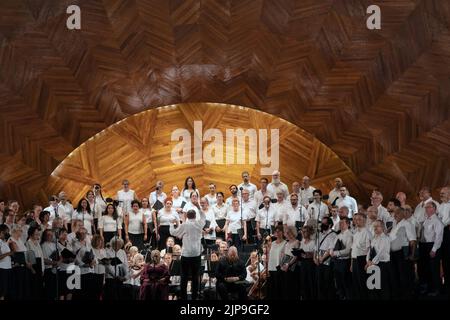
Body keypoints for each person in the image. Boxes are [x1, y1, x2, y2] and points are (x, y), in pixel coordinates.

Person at [169, 208, 205, 300]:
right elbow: (203, 217)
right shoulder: (199, 224)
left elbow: (173, 232)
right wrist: (199, 208)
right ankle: (194, 297)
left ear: (187, 216)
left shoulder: (184, 225)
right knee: (195, 277)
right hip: (196, 254)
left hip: (186, 255)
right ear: (195, 216)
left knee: (184, 277)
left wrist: (171, 224)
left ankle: (183, 297)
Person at [389, 207, 416, 299]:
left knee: (404, 275)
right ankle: (398, 294)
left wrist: (412, 255)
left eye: (398, 213)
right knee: (395, 275)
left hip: (403, 253)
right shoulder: (394, 224)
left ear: (403, 214)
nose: (395, 215)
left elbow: (412, 241)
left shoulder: (407, 224)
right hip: (393, 254)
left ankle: (407, 295)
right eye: (394, 213)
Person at [418, 202, 444, 296]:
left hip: (432, 246)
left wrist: (434, 249)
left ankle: (437, 290)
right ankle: (429, 288)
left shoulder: (437, 221)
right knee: (427, 269)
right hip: (424, 246)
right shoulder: (426, 220)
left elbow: (439, 237)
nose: (426, 209)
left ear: (434, 209)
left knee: (434, 269)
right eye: (426, 207)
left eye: (428, 207)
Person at [365, 220, 391, 300]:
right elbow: (370, 251)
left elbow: (381, 252)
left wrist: (371, 262)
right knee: (374, 287)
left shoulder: (385, 238)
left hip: (382, 265)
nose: (375, 228)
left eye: (377, 226)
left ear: (382, 227)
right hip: (373, 264)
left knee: (383, 287)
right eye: (374, 226)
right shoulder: (374, 239)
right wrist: (368, 261)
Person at [330, 217, 353, 300]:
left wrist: (336, 253)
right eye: (340, 223)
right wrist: (331, 252)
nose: (341, 225)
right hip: (337, 261)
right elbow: (332, 246)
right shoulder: (338, 235)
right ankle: (341, 297)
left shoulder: (350, 235)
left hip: (345, 262)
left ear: (348, 224)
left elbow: (348, 250)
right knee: (338, 283)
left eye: (343, 223)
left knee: (345, 283)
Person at [350, 213, 371, 300]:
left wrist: (368, 262)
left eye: (359, 219)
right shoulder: (355, 233)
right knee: (356, 284)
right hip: (355, 260)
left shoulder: (367, 233)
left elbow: (369, 249)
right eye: (355, 219)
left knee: (363, 283)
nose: (356, 221)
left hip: (362, 260)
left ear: (365, 220)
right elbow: (353, 249)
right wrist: (351, 264)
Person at [315, 216, 337, 300]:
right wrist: (315, 258)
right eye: (322, 223)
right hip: (318, 260)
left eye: (325, 223)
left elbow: (330, 248)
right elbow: (316, 247)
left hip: (327, 261)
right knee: (319, 282)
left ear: (330, 224)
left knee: (327, 282)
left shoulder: (333, 234)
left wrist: (322, 258)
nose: (323, 224)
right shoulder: (320, 234)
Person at [280, 226, 301, 299]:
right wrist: (282, 264)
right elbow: (282, 253)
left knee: (292, 285)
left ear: (290, 233)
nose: (284, 234)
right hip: (285, 265)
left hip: (292, 266)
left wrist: (288, 264)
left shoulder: (296, 242)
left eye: (285, 233)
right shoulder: (286, 243)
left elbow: (296, 256)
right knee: (286, 286)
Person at [266, 225, 285, 300]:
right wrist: (267, 268)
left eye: (279, 231)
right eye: (276, 231)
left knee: (278, 289)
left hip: (279, 268)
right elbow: (269, 255)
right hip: (271, 267)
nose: (277, 233)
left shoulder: (285, 243)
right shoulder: (272, 243)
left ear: (283, 232)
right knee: (271, 289)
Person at [26, 226, 44, 299]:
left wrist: (42, 269)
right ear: (31, 234)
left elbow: (41, 257)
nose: (38, 236)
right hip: (33, 266)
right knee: (34, 288)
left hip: (39, 266)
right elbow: (29, 257)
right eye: (36, 234)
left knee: (40, 288)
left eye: (38, 234)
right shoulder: (28, 243)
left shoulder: (38, 243)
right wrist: (32, 269)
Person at [438, 186, 450, 297]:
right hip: (441, 234)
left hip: (448, 232)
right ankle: (445, 286)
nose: (441, 195)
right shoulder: (440, 206)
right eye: (440, 193)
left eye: (443, 193)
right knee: (444, 260)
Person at [299, 225, 316, 300]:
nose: (303, 233)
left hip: (310, 263)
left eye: (305, 232)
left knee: (310, 281)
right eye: (302, 232)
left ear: (309, 232)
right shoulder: (302, 241)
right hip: (303, 263)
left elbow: (314, 253)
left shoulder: (313, 242)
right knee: (303, 281)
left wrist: (308, 254)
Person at [91, 234, 106, 300]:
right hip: (94, 272)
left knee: (100, 290)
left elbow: (105, 259)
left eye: (101, 241)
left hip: (102, 271)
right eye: (98, 241)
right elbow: (94, 259)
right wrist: (99, 261)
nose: (100, 242)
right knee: (94, 290)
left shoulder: (103, 250)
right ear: (95, 241)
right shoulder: (92, 249)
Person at [0, 224, 13, 300]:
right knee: (2, 291)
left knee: (6, 291)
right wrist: (9, 253)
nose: (8, 234)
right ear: (2, 232)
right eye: (6, 232)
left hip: (8, 268)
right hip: (2, 268)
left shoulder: (4, 242)